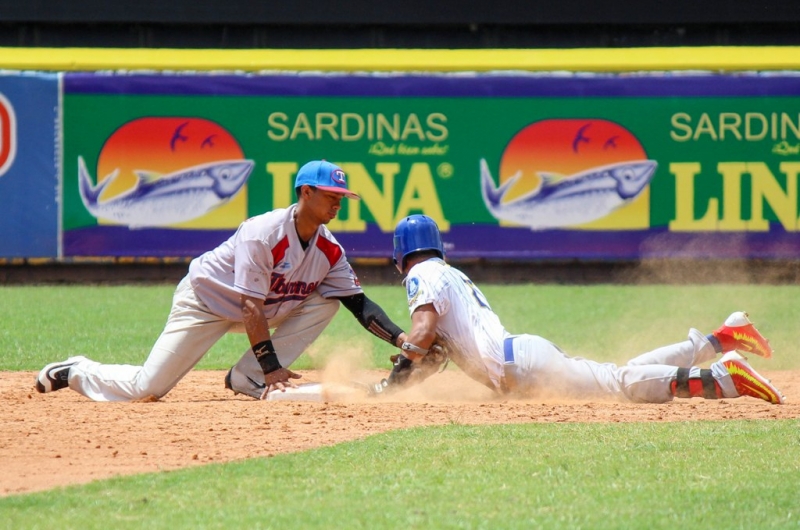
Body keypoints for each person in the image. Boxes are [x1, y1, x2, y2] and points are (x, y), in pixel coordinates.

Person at [36, 160, 408, 401]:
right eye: (331, 194)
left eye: (341, 196)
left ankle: (246, 378)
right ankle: (77, 370)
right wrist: (272, 366)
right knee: (146, 389)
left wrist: (403, 339)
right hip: (205, 303)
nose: (338, 202)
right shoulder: (263, 233)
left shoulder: (330, 250)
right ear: (305, 192)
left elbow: (359, 304)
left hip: (264, 309)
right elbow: (249, 305)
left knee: (331, 298)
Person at [369, 214, 785, 405]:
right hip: (524, 361)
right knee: (618, 374)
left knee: (622, 385)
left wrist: (394, 379)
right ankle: (721, 338)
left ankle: (722, 377)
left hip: (522, 364)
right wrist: (415, 362)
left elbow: (422, 333)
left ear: (399, 256)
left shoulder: (421, 273)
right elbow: (431, 344)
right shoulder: (447, 272)